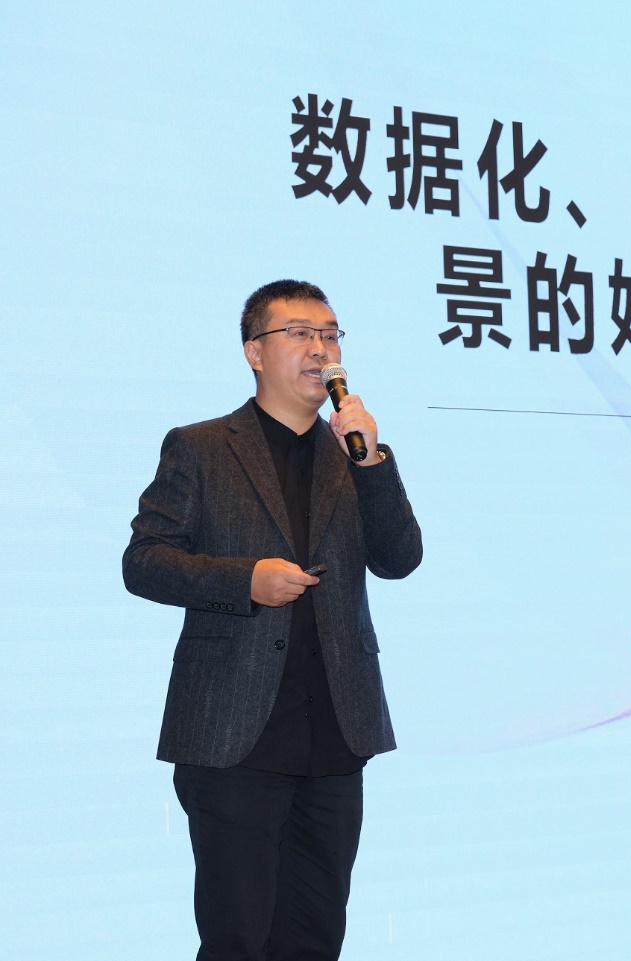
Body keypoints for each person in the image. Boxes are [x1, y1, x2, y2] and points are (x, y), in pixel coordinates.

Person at [123, 279, 422, 960]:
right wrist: (244, 581)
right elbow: (144, 562)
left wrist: (372, 460)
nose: (321, 349)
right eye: (301, 333)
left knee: (315, 939)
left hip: (336, 737)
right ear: (254, 351)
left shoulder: (356, 454)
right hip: (235, 737)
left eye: (331, 335)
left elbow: (400, 558)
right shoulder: (201, 447)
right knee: (238, 940)